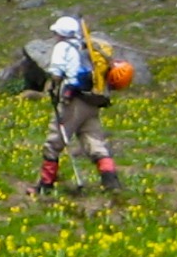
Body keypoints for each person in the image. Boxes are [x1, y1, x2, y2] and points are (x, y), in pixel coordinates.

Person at [36, 14, 123, 197]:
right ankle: (111, 182)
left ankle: (45, 185)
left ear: (61, 33)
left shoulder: (63, 47)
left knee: (54, 143)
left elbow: (57, 72)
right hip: (92, 101)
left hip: (72, 101)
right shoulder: (86, 48)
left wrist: (53, 87)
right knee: (94, 142)